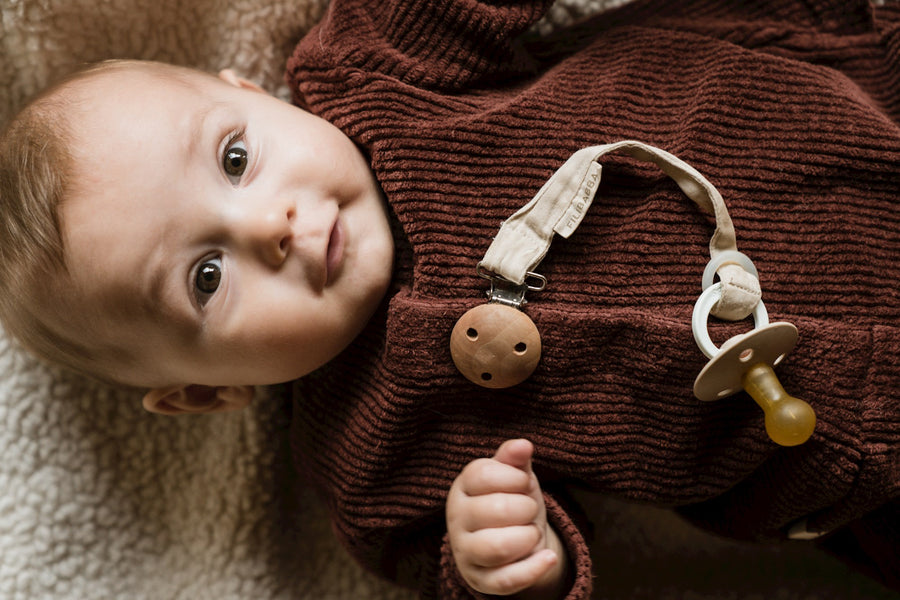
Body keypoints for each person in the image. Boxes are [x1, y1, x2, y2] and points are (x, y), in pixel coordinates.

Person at [0, 0, 898, 597]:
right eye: (205, 277)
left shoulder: (373, 73)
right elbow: (477, 578)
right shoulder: (369, 466)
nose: (267, 226)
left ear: (255, 93)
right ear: (208, 393)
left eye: (236, 159)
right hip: (855, 460)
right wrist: (502, 559)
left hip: (855, 105)